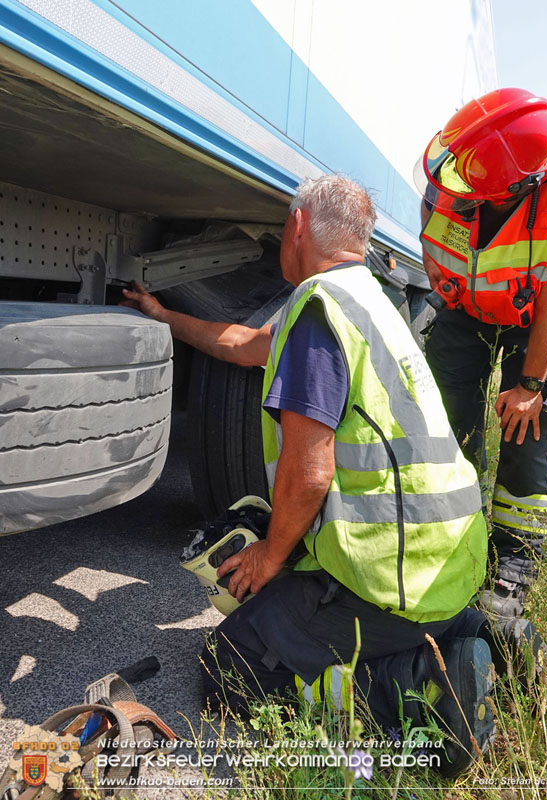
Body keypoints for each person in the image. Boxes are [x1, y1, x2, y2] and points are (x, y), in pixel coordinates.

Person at [123, 175, 497, 775]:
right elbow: (243, 343)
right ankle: (481, 634)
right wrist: (163, 314)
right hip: (447, 568)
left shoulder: (317, 311)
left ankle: (425, 686)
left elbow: (310, 472)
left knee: (231, 669)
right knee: (290, 609)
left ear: (297, 227)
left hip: (389, 582)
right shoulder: (371, 302)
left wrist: (270, 557)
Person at [415, 88, 547, 617]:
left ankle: (514, 559)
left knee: (528, 426)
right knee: (449, 420)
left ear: (516, 186)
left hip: (534, 318)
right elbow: (434, 225)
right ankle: (456, 528)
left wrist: (531, 387)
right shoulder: (456, 169)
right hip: (463, 307)